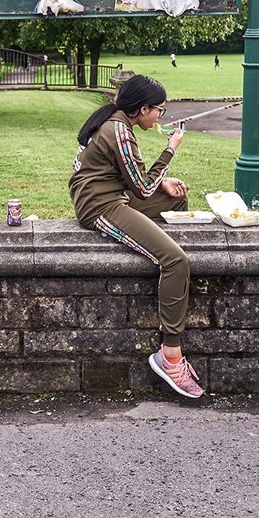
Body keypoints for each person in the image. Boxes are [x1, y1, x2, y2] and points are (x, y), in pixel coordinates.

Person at [68, 75, 202, 399]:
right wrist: (170, 150)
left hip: (114, 194)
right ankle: (170, 355)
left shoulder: (116, 121)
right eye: (160, 111)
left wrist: (162, 185)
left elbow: (133, 181)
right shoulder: (119, 131)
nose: (160, 117)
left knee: (176, 200)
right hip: (100, 205)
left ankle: (157, 246)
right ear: (142, 109)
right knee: (176, 260)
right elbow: (141, 187)